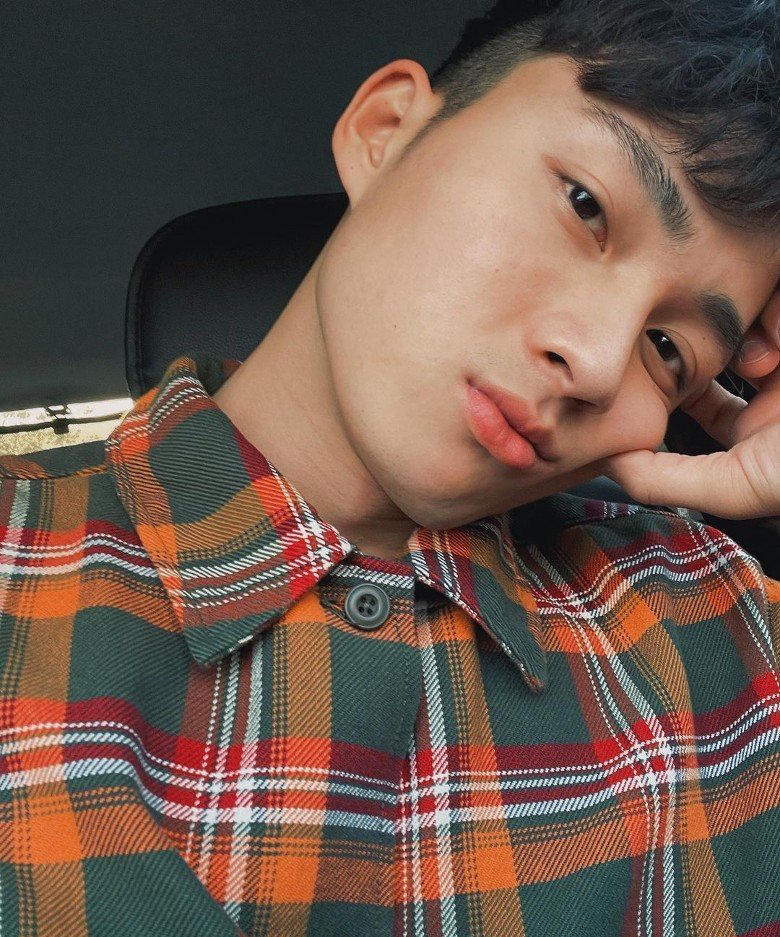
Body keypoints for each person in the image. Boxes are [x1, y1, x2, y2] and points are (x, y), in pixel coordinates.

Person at [1, 0, 778, 934]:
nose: (600, 363)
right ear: (386, 132)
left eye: (669, 349)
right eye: (585, 205)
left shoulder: (714, 614)